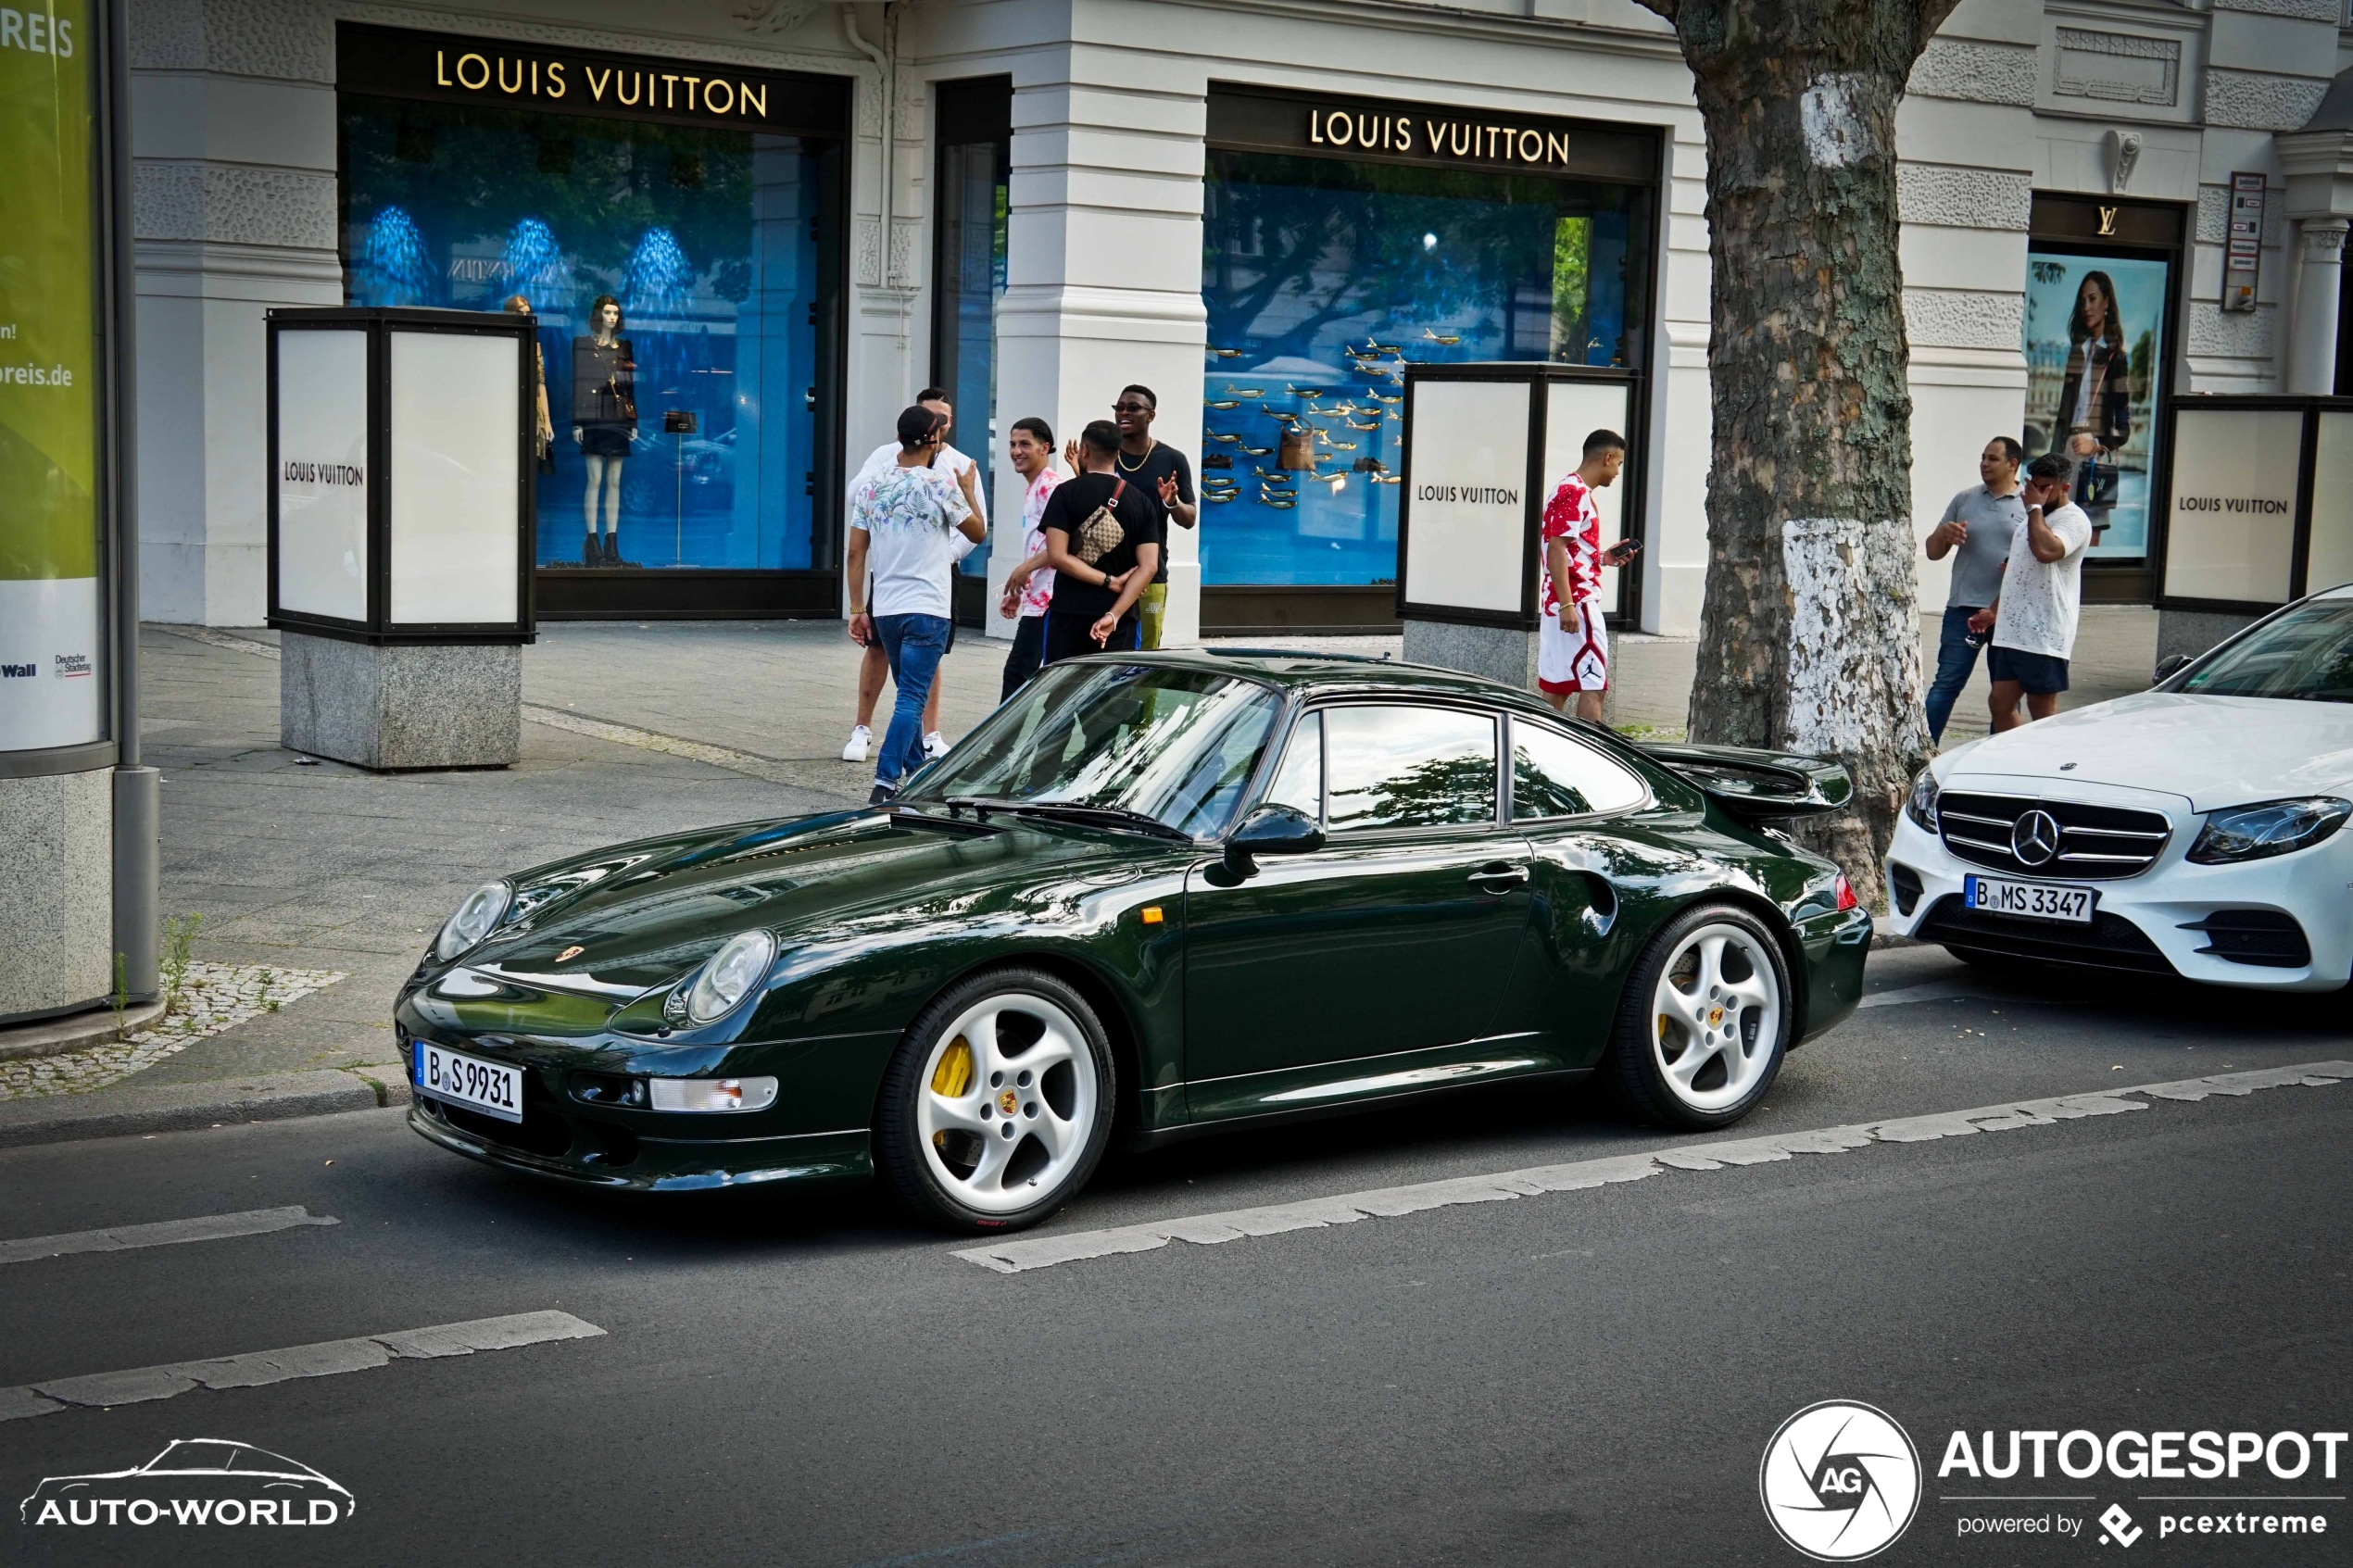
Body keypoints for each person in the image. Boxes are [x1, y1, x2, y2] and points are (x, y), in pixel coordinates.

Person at [845, 406, 985, 803]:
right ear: (933, 440)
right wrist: (969, 491)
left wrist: (858, 608)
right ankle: (884, 783)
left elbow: (856, 554)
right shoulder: (941, 485)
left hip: (886, 607)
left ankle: (916, 769)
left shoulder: (873, 487)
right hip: (928, 606)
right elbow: (977, 530)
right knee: (911, 698)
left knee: (907, 692)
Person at [1972, 452, 2093, 734]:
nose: (2037, 493)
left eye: (2045, 488)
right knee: (2000, 703)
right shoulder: (2032, 519)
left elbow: (2046, 552)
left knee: (2042, 711)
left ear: (2064, 488)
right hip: (2012, 632)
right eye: (2034, 485)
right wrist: (1994, 611)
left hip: (2044, 634)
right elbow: (2020, 573)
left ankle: (2048, 767)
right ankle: (2012, 761)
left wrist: (2035, 509)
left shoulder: (2073, 521)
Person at [1921, 436, 2027, 743]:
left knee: (2005, 694)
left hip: (2007, 612)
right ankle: (1923, 751)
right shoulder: (1964, 499)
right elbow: (1932, 552)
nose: (1984, 463)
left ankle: (1999, 757)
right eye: (1982, 457)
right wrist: (1943, 534)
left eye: (1993, 458)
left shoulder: (2028, 506)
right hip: (1963, 609)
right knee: (1946, 684)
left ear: (2012, 464)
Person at [1537, 429, 1639, 724]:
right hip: (1577, 603)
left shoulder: (1566, 488)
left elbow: (1563, 548)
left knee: (1557, 689)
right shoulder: (1576, 492)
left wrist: (1602, 558)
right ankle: (1589, 761)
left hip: (1558, 601)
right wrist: (1569, 605)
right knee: (1593, 687)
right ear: (1607, 458)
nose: (1618, 471)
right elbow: (1556, 549)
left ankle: (1541, 756)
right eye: (1618, 463)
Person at [1041, 420, 1162, 663]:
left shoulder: (1065, 493)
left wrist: (1109, 581)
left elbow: (1057, 555)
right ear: (1118, 453)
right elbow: (1149, 567)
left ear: (1084, 450)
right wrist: (1114, 616)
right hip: (1121, 621)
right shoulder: (1141, 501)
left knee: (1061, 693)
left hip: (1068, 613)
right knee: (1114, 696)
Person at [1105, 384, 1194, 649]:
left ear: (1151, 415)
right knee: (1102, 650)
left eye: (1133, 408)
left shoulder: (1172, 459)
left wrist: (1172, 502)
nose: (1124, 413)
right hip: (1104, 574)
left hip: (1150, 573)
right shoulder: (1105, 455)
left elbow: (1189, 519)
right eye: (1119, 408)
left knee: (1145, 656)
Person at [2051, 270, 2130, 537]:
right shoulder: (2077, 351)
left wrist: (2095, 444)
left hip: (2091, 455)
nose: (2086, 308)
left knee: (2086, 534)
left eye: (2093, 299)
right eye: (2082, 300)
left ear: (2106, 302)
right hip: (2067, 450)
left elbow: (2123, 426)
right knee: (2059, 530)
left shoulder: (2115, 359)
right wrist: (2054, 457)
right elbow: (2064, 412)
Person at [996, 417, 1062, 701]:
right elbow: (1039, 545)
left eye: (1025, 444)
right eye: (1012, 444)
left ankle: (999, 744)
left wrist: (1025, 569)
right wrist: (1020, 588)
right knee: (1033, 678)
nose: (1016, 451)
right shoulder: (1035, 486)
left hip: (1049, 601)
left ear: (1044, 447)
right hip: (1037, 598)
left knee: (1019, 674)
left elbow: (1063, 547)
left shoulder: (1050, 487)